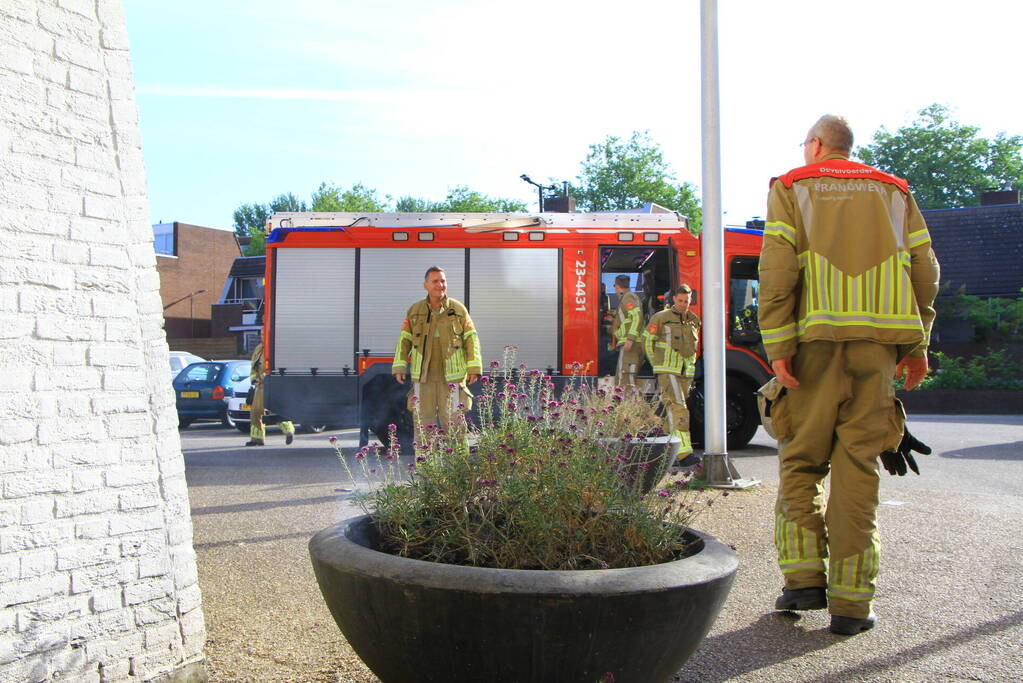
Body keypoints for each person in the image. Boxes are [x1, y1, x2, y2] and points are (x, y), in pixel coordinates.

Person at [758, 115, 940, 635]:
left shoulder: (792, 186)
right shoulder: (895, 192)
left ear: (816, 144)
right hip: (880, 352)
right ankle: (852, 607)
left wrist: (779, 344)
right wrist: (917, 344)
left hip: (814, 347)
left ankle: (802, 581)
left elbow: (777, 269)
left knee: (800, 459)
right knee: (859, 469)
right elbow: (925, 269)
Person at [393, 266, 482, 438]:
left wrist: (474, 367)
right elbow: (404, 341)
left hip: (452, 378)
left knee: (455, 424)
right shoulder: (415, 311)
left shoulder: (458, 310)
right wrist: (399, 367)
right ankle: (425, 464)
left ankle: (458, 464)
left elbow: (472, 339)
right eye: (435, 281)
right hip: (423, 378)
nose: (440, 285)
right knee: (423, 427)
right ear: (425, 285)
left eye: (443, 281)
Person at [643, 285, 700, 463]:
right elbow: (647, 342)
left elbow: (693, 349)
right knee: (679, 408)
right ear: (674, 299)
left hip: (686, 373)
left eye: (687, 301)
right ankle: (684, 454)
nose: (683, 304)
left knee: (671, 412)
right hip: (668, 371)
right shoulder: (660, 318)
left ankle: (666, 454)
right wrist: (656, 366)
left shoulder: (694, 320)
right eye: (681, 300)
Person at [246, 342, 295, 447]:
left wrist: (265, 378)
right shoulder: (259, 348)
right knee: (255, 412)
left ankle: (289, 431)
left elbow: (276, 368)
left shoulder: (276, 347)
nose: (263, 336)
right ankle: (257, 439)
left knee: (276, 410)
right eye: (262, 334)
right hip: (260, 386)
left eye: (265, 333)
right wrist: (254, 379)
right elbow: (254, 367)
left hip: (274, 385)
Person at [610, 274, 644, 387]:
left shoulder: (628, 297)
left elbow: (637, 317)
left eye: (615, 286)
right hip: (629, 343)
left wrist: (630, 339)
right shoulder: (627, 298)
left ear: (617, 286)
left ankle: (628, 404)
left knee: (625, 380)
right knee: (623, 378)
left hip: (631, 345)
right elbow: (627, 319)